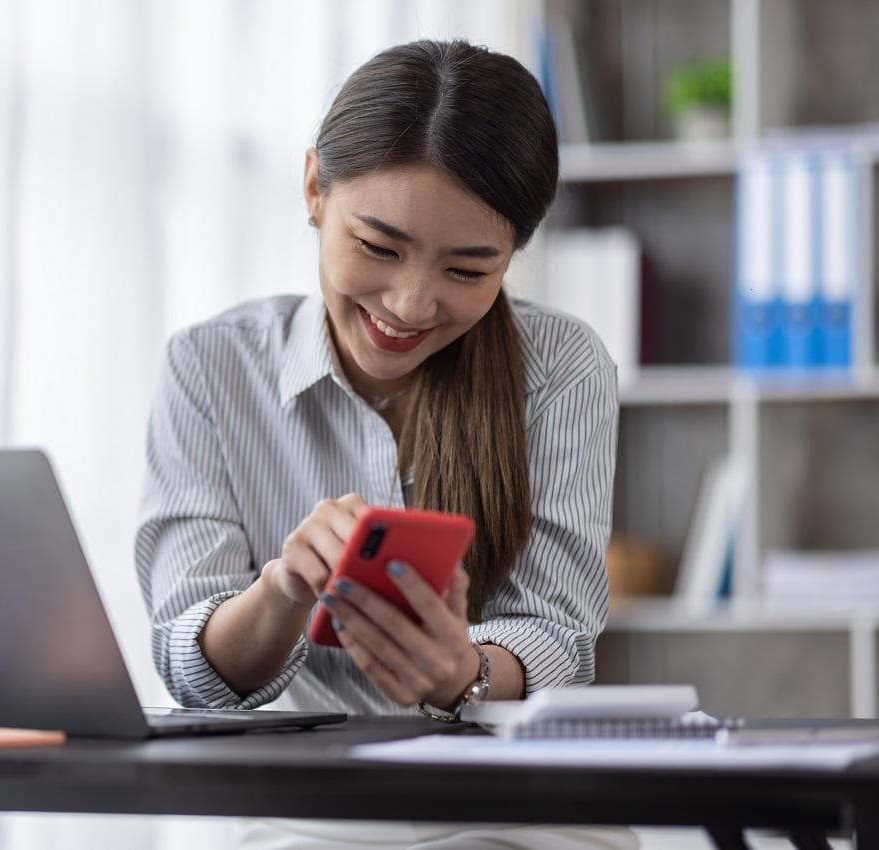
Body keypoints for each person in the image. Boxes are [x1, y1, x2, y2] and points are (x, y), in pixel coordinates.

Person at [135, 39, 634, 850]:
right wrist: (283, 591)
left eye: (468, 271)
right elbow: (192, 670)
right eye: (378, 247)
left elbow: (559, 636)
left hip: (516, 814)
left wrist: (459, 675)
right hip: (306, 820)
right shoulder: (211, 366)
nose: (409, 303)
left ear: (512, 257)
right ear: (313, 190)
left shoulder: (561, 369)